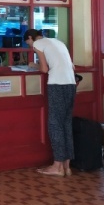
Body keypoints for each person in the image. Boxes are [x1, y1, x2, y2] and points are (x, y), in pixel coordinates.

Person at [24, 28, 76, 177]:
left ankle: (57, 166)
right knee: (66, 123)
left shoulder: (38, 44)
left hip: (57, 85)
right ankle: (67, 166)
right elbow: (72, 66)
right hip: (71, 84)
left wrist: (33, 65)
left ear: (30, 38)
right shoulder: (58, 42)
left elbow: (44, 69)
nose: (30, 47)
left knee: (55, 124)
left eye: (28, 43)